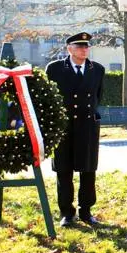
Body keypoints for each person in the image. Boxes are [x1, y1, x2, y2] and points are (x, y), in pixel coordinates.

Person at [46, 32, 105, 227]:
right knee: (64, 170)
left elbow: (98, 96)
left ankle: (86, 211)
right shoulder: (54, 69)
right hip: (63, 126)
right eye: (79, 46)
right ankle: (67, 212)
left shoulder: (97, 69)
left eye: (86, 46)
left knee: (88, 170)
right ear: (69, 48)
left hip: (87, 126)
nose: (84, 49)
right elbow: (50, 98)